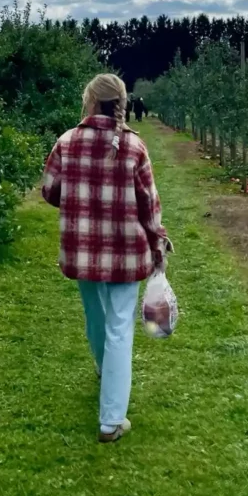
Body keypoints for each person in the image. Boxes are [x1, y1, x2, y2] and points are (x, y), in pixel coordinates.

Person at [41, 73, 172, 443]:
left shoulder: (67, 142)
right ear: (121, 102)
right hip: (126, 253)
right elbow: (149, 205)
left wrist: (79, 200)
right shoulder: (134, 147)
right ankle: (111, 419)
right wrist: (158, 242)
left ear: (90, 101)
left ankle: (104, 370)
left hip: (83, 250)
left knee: (95, 316)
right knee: (119, 326)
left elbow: (50, 191)